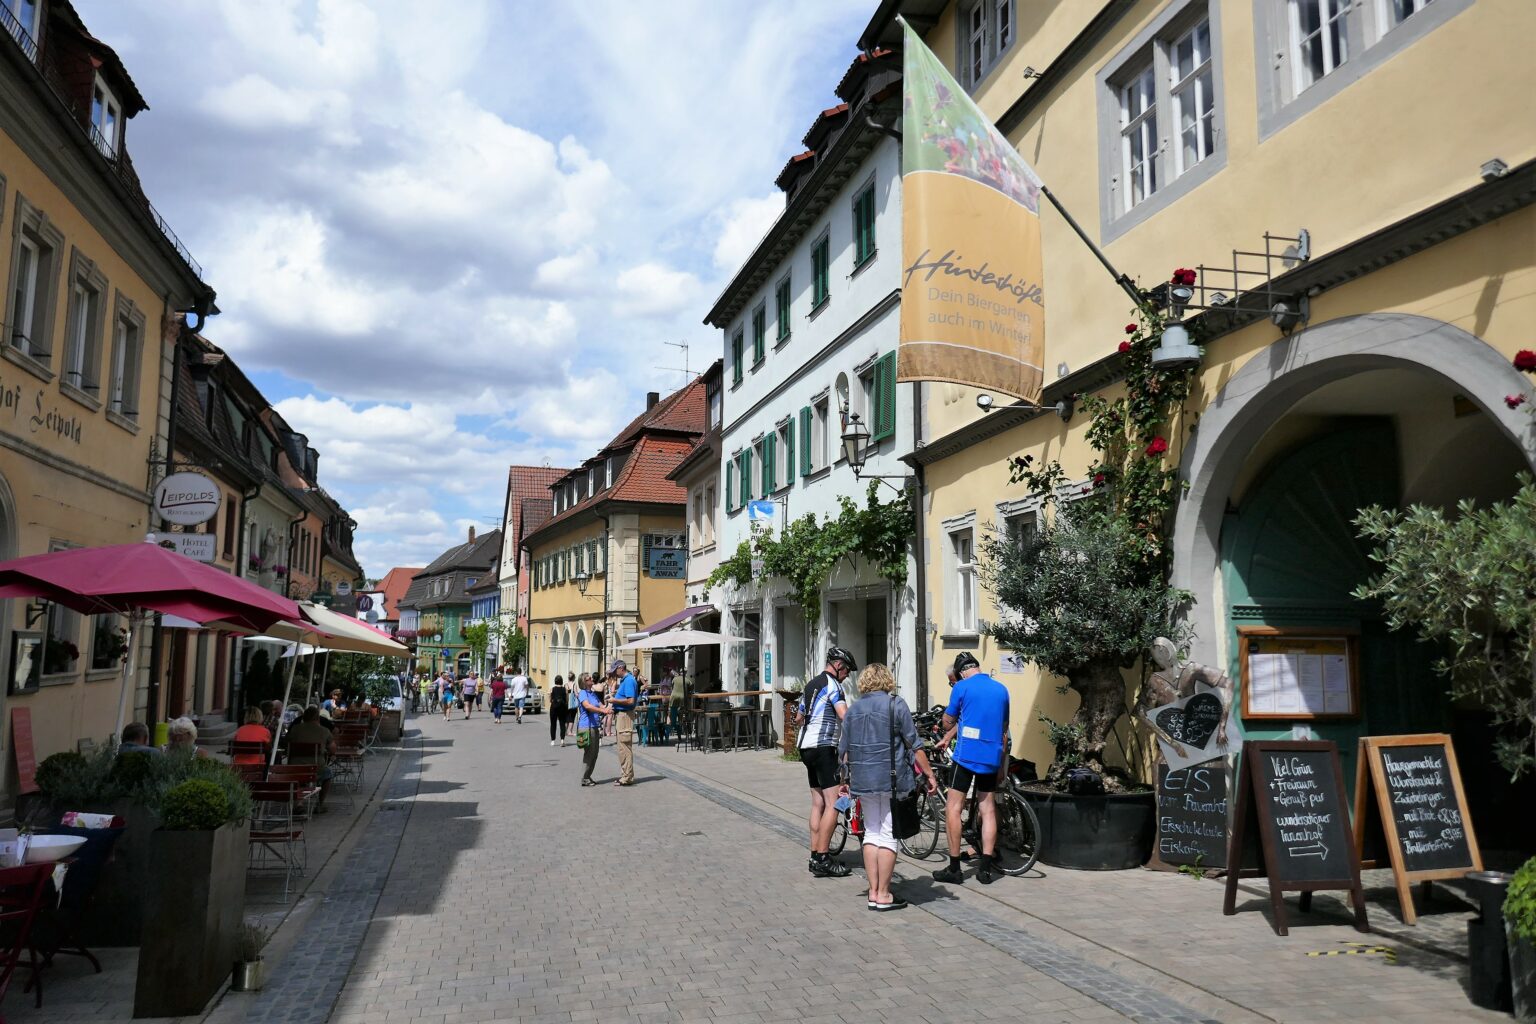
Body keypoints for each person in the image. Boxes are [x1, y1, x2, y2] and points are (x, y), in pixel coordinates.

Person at [839, 664, 938, 910]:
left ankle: (873, 891)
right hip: (892, 780)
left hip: (863, 780)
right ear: (886, 680)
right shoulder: (896, 704)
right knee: (888, 834)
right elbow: (915, 744)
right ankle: (884, 894)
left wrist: (844, 782)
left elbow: (843, 751)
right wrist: (929, 775)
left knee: (871, 833)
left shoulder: (853, 710)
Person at [932, 652, 1011, 886]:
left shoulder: (961, 688)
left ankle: (955, 868)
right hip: (991, 756)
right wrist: (1000, 759)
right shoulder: (1001, 689)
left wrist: (948, 724)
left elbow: (948, 720)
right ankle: (985, 869)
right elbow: (1003, 728)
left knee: (953, 808)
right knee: (987, 809)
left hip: (966, 757)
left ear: (961, 672)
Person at [793, 647, 856, 878]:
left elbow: (799, 718)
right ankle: (823, 858)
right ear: (838, 665)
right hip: (824, 748)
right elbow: (844, 715)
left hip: (806, 748)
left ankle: (814, 854)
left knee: (817, 803)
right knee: (835, 803)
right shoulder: (833, 685)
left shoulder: (811, 684)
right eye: (847, 670)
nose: (848, 675)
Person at [286, 705, 337, 813]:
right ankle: (320, 804)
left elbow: (286, 743)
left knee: (299, 776)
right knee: (328, 773)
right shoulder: (324, 731)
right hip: (316, 768)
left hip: (294, 767)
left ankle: (299, 803)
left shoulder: (295, 729)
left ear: (304, 717)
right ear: (318, 718)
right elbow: (333, 749)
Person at [608, 659, 639, 786]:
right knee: (622, 747)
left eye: (615, 670)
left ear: (621, 668)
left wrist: (614, 700)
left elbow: (630, 701)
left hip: (625, 716)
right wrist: (616, 695)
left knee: (624, 747)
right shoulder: (626, 680)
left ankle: (627, 777)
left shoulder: (629, 680)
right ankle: (625, 775)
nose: (614, 673)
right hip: (622, 715)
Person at [576, 674, 609, 786]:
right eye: (588, 679)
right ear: (584, 682)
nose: (591, 679)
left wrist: (609, 707)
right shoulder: (583, 693)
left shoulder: (592, 693)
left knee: (595, 753)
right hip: (586, 726)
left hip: (594, 725)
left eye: (591, 677)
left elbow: (601, 705)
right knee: (589, 753)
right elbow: (588, 706)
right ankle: (584, 778)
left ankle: (587, 776)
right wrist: (602, 710)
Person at [549, 676, 569, 746]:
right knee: (562, 724)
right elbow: (567, 700)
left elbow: (550, 700)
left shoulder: (552, 689)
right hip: (562, 708)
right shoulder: (565, 689)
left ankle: (552, 741)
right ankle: (562, 740)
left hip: (554, 708)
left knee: (553, 724)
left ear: (555, 681)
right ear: (562, 681)